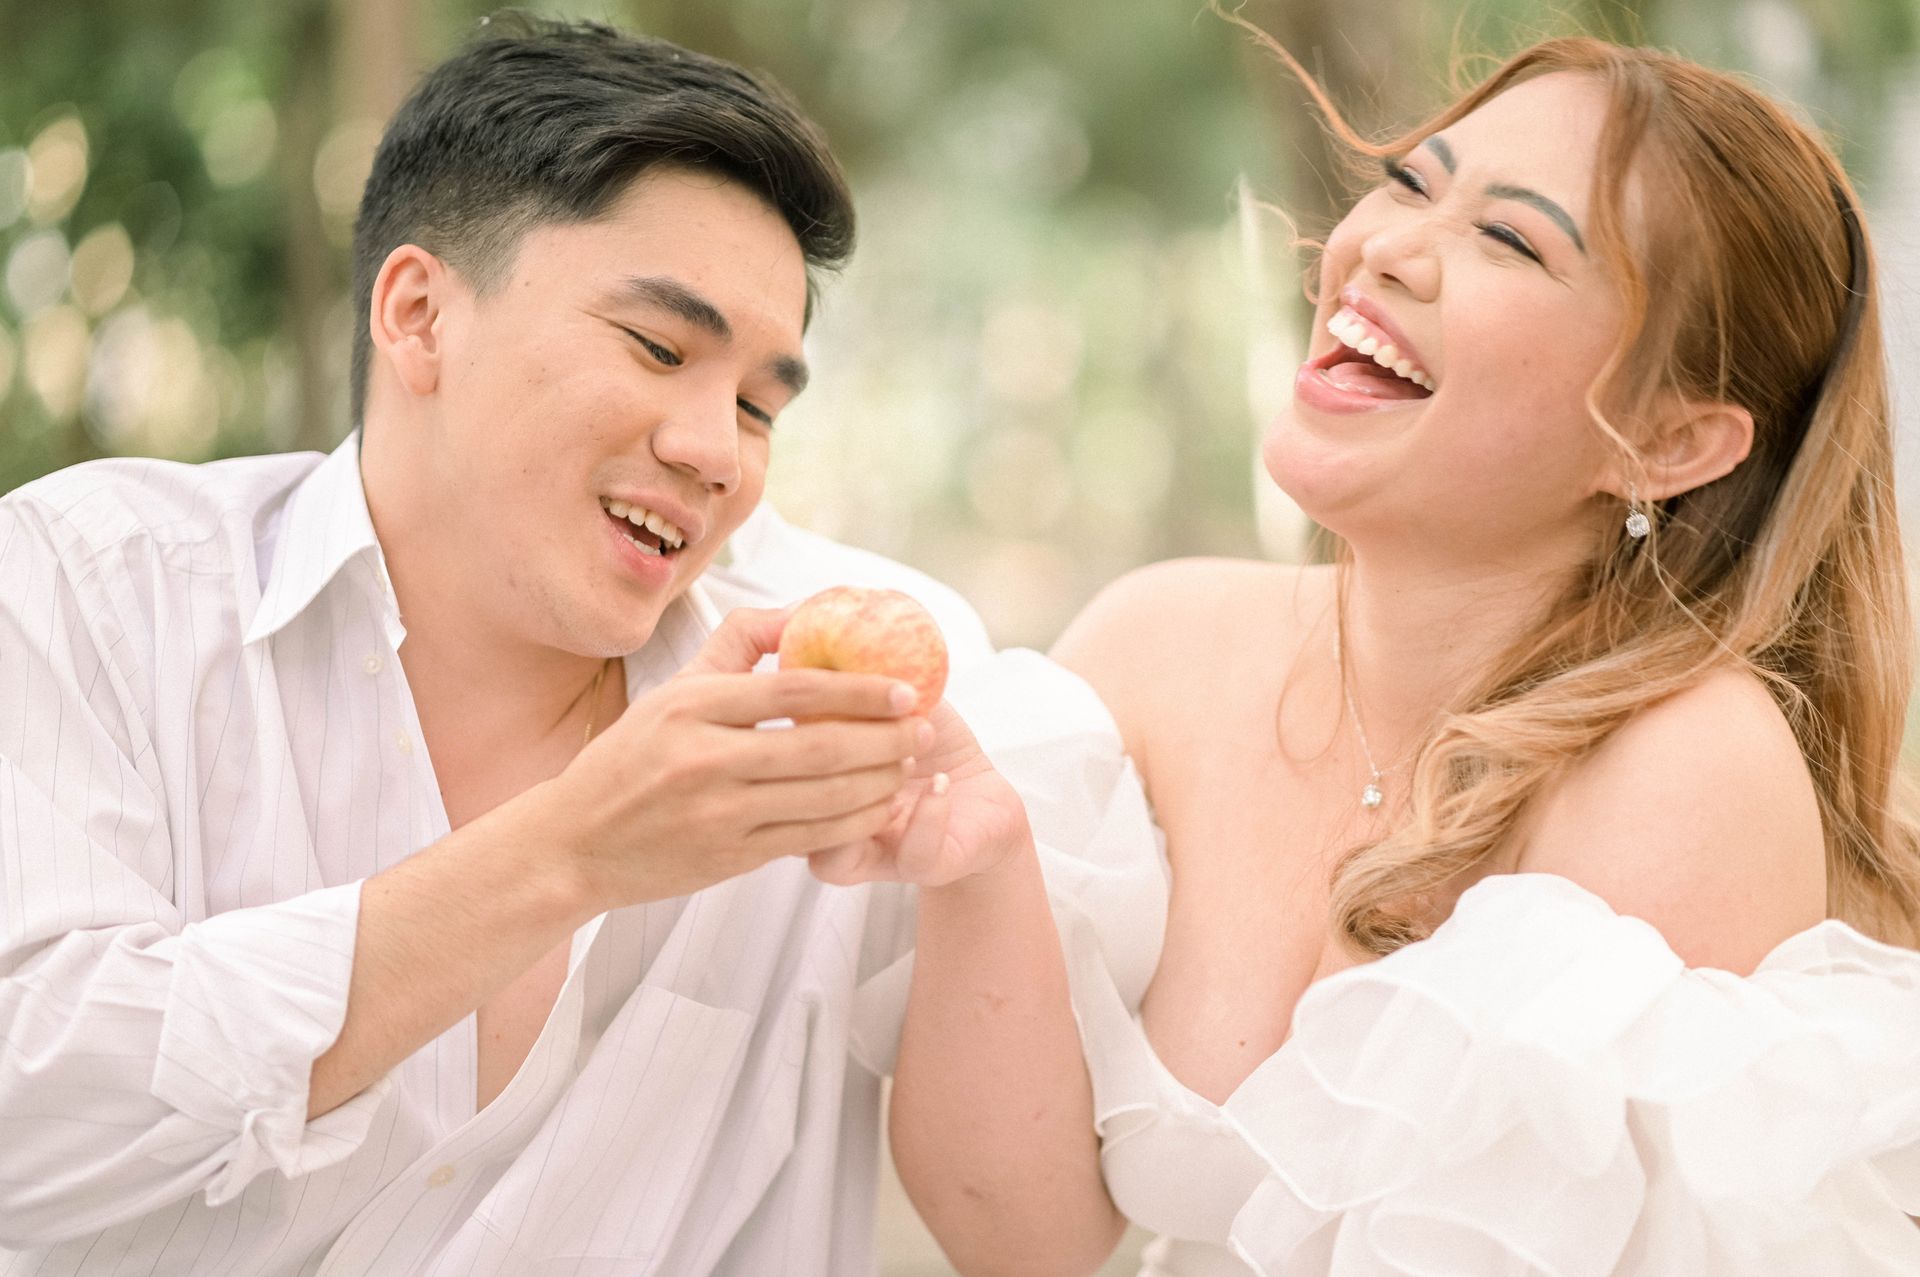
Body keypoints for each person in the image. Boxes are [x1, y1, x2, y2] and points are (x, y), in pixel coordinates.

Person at [858, 30, 1920, 1277]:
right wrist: (981, 869)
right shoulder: (1157, 641)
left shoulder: (1684, 768)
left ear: (1664, 443)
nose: (1384, 248)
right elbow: (1018, 1237)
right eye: (1411, 182)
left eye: (1510, 238)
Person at [0, 16, 1010, 1275]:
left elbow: (1031, 1233)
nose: (718, 452)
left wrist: (989, 869)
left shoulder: (831, 697)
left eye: (759, 405)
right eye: (658, 347)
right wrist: (571, 853)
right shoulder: (89, 583)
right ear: (420, 314)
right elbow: (23, 1127)